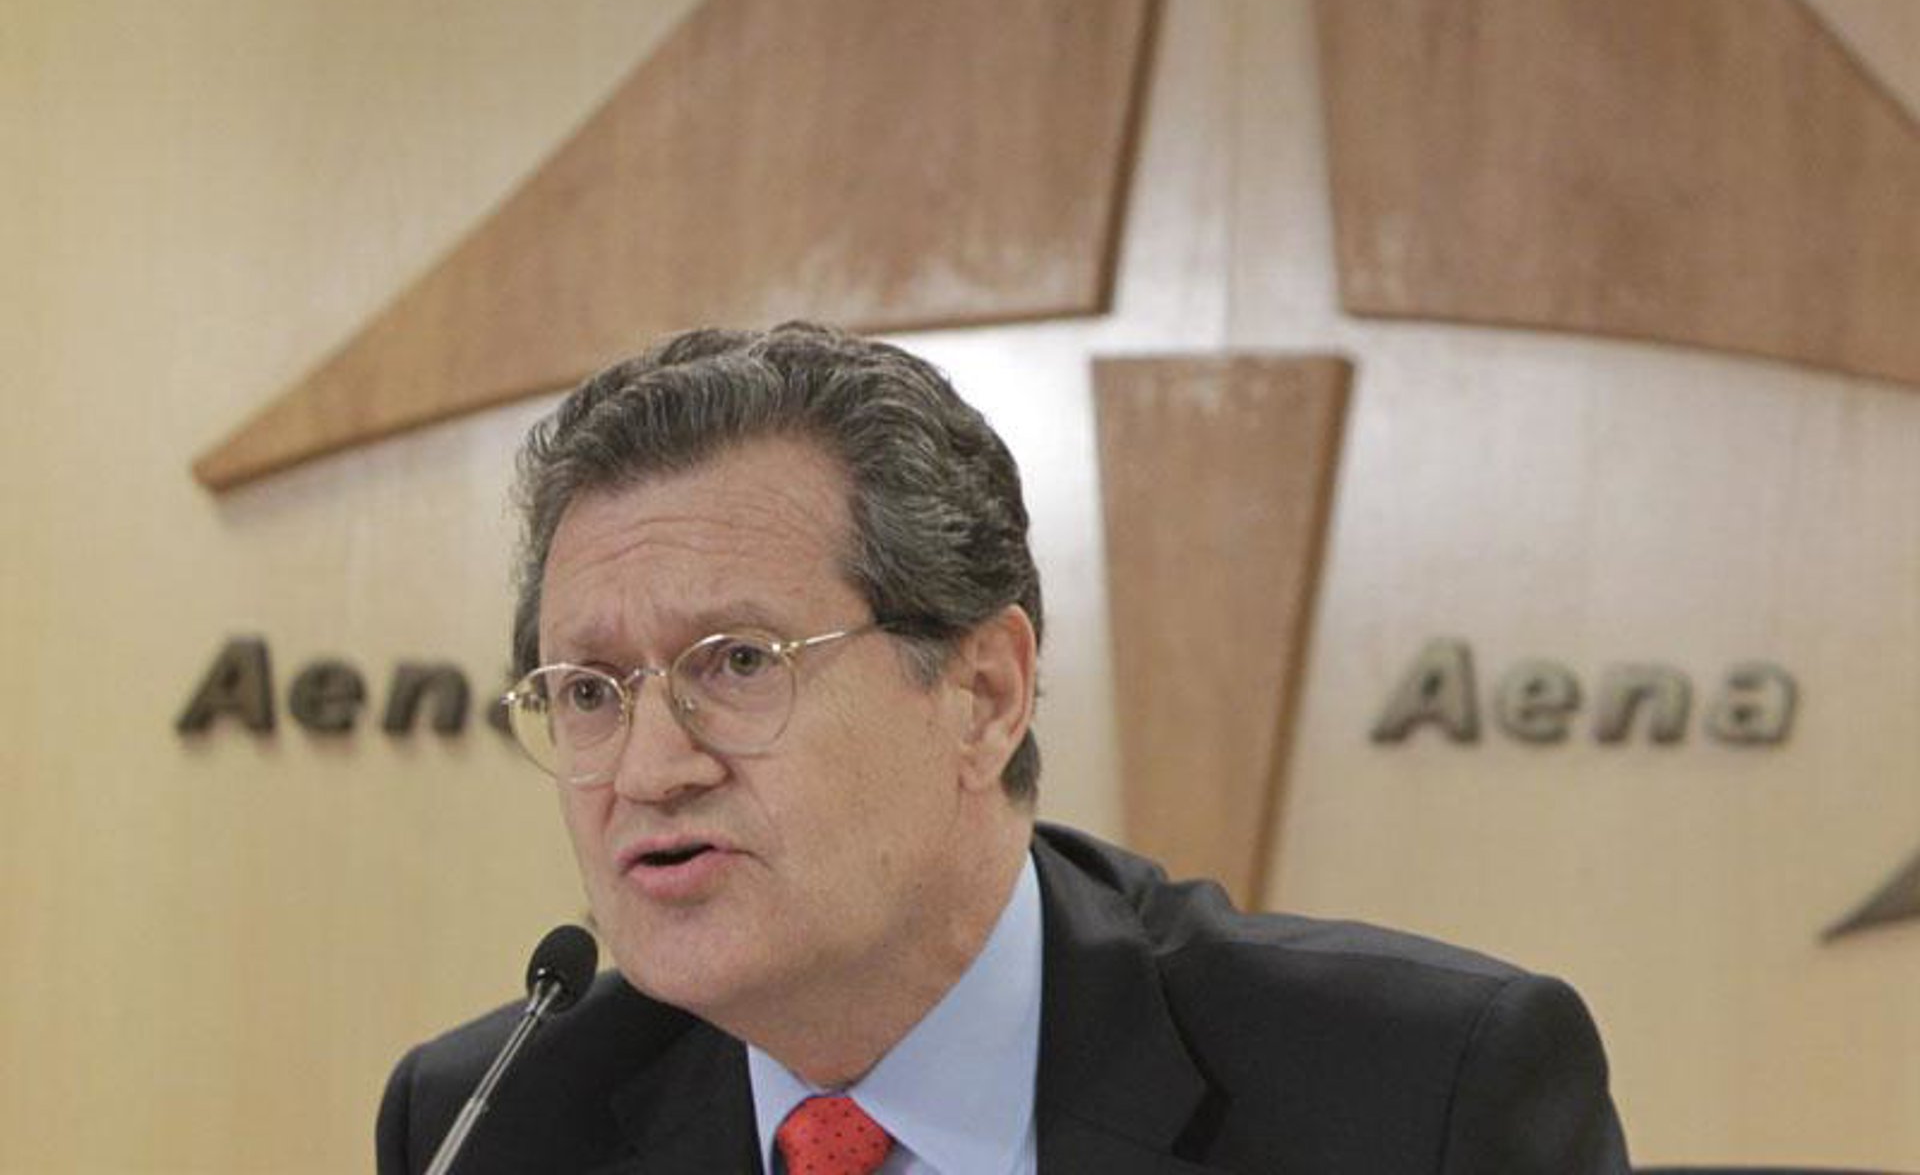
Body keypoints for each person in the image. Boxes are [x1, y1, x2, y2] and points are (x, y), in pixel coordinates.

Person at [378, 321, 1631, 1174]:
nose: (651, 770)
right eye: (589, 690)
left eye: (739, 663)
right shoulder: (488, 1127)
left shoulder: (1414, 1100)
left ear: (983, 694)